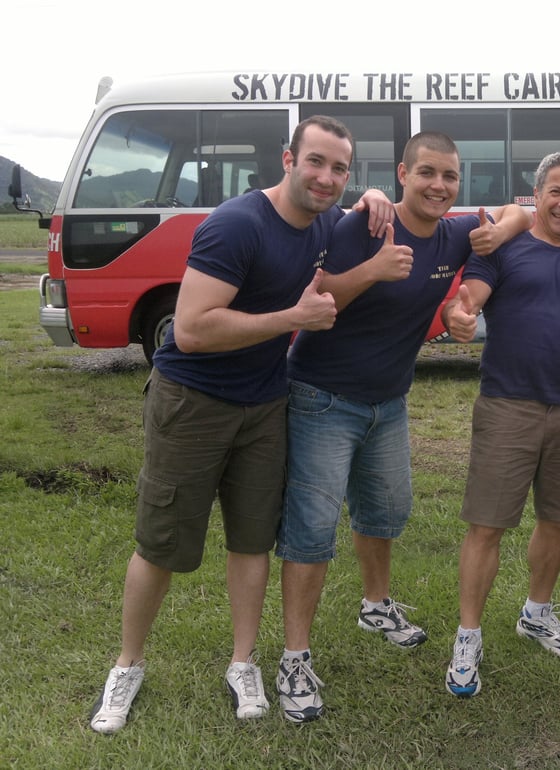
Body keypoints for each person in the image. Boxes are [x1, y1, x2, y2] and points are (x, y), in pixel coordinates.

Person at [88, 115, 393, 734]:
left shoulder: (324, 223)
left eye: (340, 168)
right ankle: (127, 665)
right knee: (162, 541)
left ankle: (243, 662)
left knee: (252, 540)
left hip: (265, 405)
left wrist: (376, 196)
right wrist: (294, 319)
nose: (326, 177)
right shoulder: (237, 224)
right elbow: (192, 329)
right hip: (193, 402)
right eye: (316, 162)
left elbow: (353, 212)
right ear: (288, 159)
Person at [274, 131, 532, 722]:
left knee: (385, 511)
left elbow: (522, 210)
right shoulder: (362, 228)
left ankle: (376, 605)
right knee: (312, 530)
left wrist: (502, 232)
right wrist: (372, 270)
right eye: (427, 174)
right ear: (402, 174)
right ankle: (294, 658)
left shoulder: (454, 234)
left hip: (388, 403)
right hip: (322, 398)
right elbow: (313, 303)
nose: (439, 186)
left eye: (450, 176)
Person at [439, 152, 560, 698]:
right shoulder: (504, 249)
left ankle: (537, 613)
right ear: (538, 193)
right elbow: (468, 301)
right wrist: (459, 316)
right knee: (487, 526)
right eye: (557, 191)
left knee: (558, 520)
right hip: (507, 406)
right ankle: (468, 636)